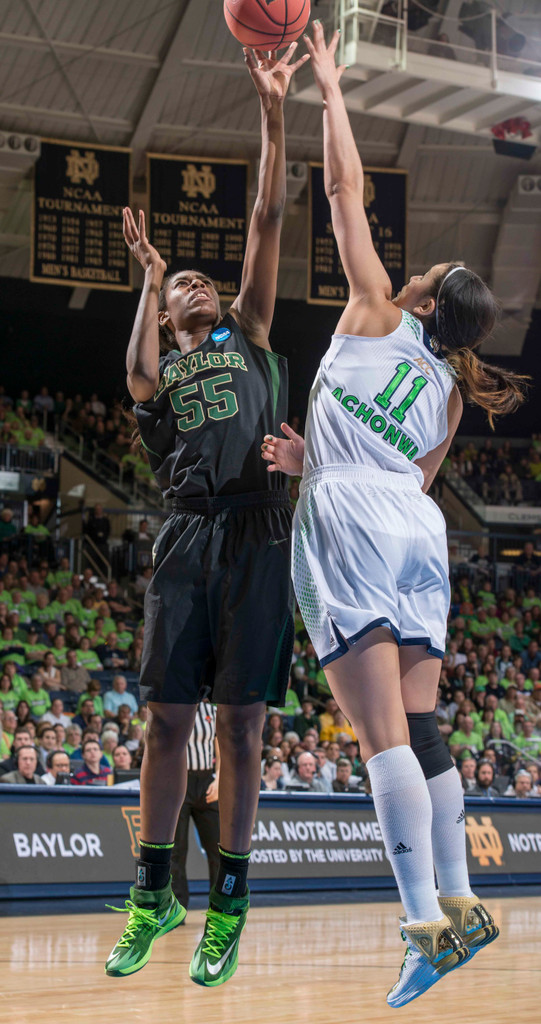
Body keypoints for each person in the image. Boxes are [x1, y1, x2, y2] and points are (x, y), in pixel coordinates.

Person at [261, 23, 527, 1008]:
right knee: (420, 722)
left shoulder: (373, 307)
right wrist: (318, 457)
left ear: (422, 297)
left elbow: (343, 191)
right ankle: (462, 898)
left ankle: (423, 926)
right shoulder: (449, 392)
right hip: (414, 531)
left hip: (352, 526)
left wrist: (331, 89)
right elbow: (410, 481)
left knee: (378, 737)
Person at [105, 42, 309, 986]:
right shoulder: (165, 365)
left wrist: (272, 110)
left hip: (260, 530)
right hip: (187, 533)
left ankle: (228, 905)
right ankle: (153, 895)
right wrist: (149, 280)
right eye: (181, 284)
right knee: (162, 722)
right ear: (168, 311)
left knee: (242, 730)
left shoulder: (250, 333)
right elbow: (136, 376)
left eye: (199, 279)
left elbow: (267, 214)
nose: (197, 283)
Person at [170, 701, 220, 911]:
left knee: (218, 848)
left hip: (207, 781)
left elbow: (221, 746)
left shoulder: (212, 711)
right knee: (177, 850)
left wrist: (219, 779)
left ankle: (219, 907)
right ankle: (177, 908)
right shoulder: (175, 709)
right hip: (180, 780)